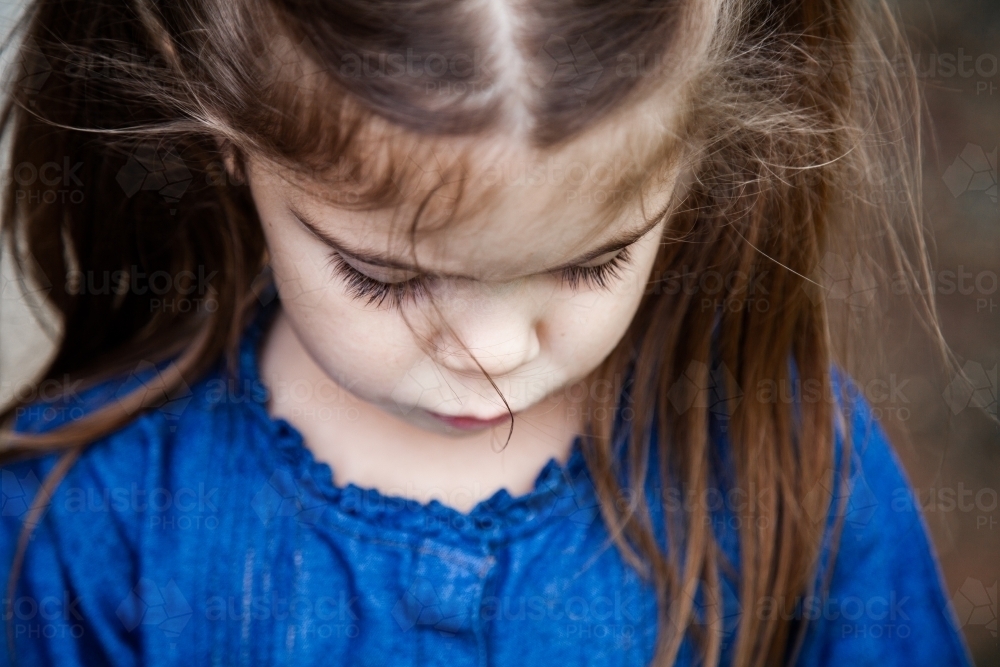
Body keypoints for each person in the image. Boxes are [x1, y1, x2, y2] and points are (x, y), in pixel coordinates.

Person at [0, 0, 975, 664]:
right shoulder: (88, 519)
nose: (495, 354)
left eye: (591, 260)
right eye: (384, 275)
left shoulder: (787, 468)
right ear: (223, 124)